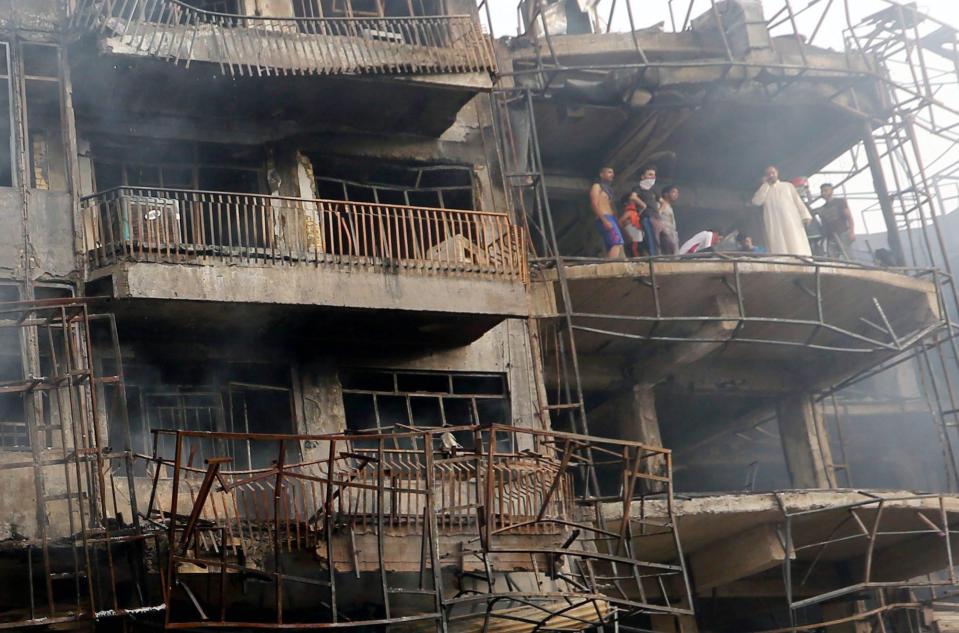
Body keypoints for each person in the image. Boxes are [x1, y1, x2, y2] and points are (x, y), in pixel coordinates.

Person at [751, 166, 813, 256]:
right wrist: (765, 185)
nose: (771, 175)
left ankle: (801, 258)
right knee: (778, 240)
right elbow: (756, 202)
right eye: (768, 174)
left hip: (791, 219)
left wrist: (805, 215)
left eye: (773, 173)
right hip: (774, 221)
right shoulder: (764, 189)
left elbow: (798, 201)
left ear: (777, 173)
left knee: (795, 238)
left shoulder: (787, 186)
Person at [589, 166, 624, 258]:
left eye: (612, 172)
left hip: (611, 218)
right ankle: (610, 265)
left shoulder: (608, 190)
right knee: (617, 242)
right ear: (601, 174)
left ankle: (612, 265)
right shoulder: (596, 186)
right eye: (609, 172)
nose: (612, 174)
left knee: (613, 245)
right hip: (604, 217)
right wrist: (604, 220)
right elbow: (594, 204)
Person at [816, 183, 855, 259]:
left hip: (843, 232)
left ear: (831, 191)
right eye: (822, 191)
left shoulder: (840, 202)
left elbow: (849, 217)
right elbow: (824, 225)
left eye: (826, 190)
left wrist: (852, 232)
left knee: (847, 256)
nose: (823, 193)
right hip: (831, 236)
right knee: (832, 257)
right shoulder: (822, 208)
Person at [619, 191, 645, 257]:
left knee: (639, 252)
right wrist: (626, 233)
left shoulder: (635, 212)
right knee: (634, 254)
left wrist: (635, 197)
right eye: (632, 200)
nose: (634, 201)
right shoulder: (628, 212)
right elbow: (619, 222)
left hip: (638, 239)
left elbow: (644, 206)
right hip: (632, 239)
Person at [659, 185, 680, 251]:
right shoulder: (659, 204)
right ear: (666, 194)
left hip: (672, 235)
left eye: (677, 193)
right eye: (674, 192)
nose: (676, 194)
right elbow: (656, 217)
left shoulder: (669, 206)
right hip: (665, 236)